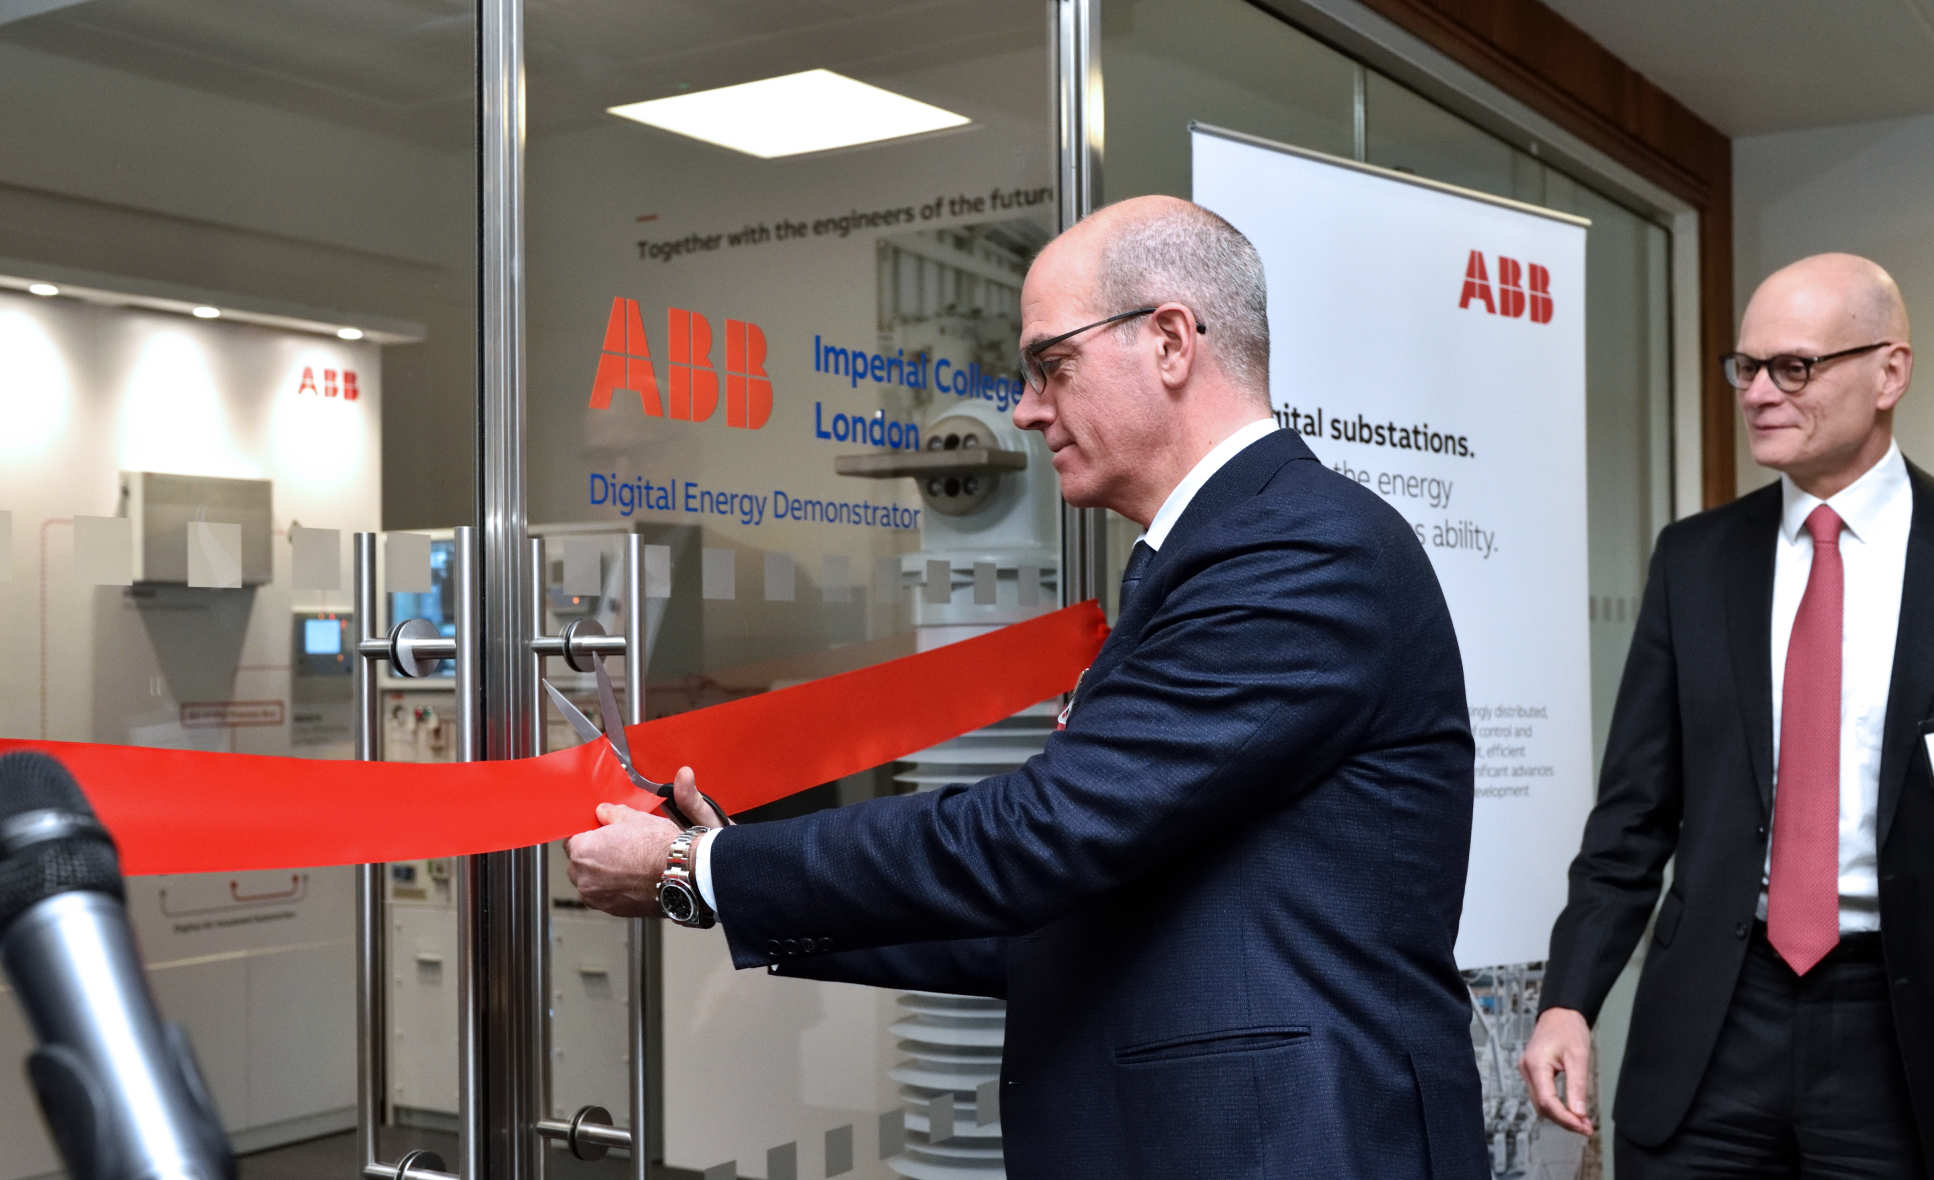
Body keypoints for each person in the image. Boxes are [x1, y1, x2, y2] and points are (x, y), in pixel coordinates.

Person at [567, 195, 1488, 1178]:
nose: (1024, 408)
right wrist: (721, 872)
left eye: (1052, 364)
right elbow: (1054, 908)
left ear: (1170, 340)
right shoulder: (1214, 555)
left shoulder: (1296, 548)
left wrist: (700, 870)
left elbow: (1037, 840)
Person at [1521, 253, 1932, 1176]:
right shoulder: (1695, 561)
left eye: (1794, 367)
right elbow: (1633, 814)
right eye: (1745, 367)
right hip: (1713, 1020)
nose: (1757, 393)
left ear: (1890, 372)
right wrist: (1567, 1001)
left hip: (1899, 1030)